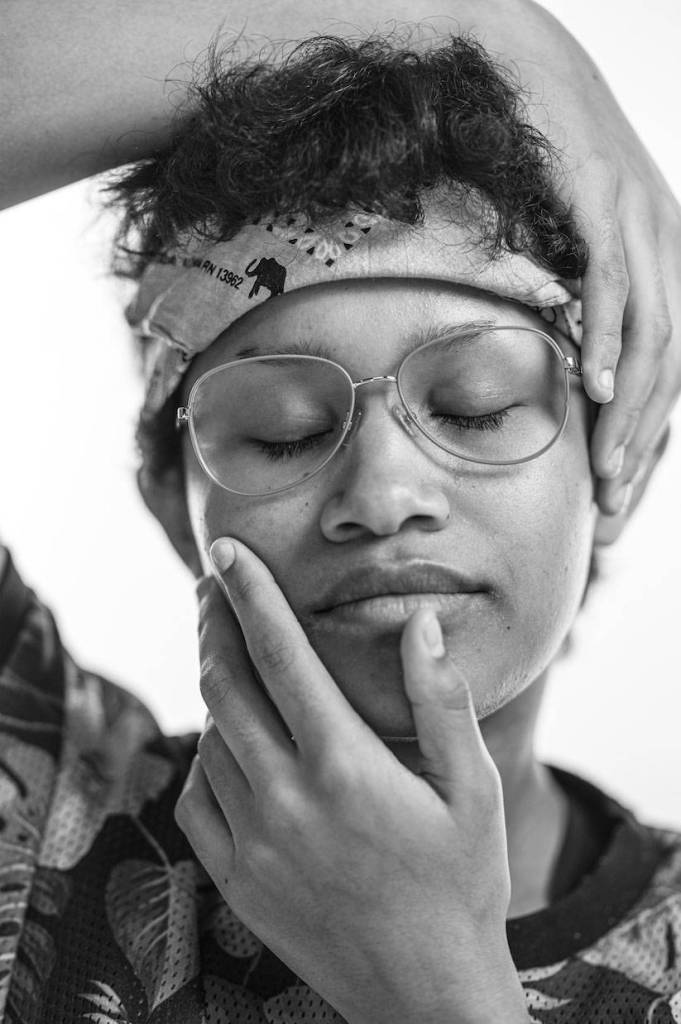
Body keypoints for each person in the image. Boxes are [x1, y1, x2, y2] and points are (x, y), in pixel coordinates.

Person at [1, 4, 681, 1023]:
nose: (382, 495)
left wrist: (436, 987)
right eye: (282, 430)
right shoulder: (38, 802)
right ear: (171, 505)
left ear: (620, 451)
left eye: (475, 406)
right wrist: (476, 24)